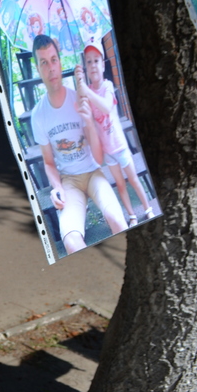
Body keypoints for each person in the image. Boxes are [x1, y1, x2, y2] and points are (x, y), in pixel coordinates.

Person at [29, 35, 127, 254]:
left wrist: (90, 123)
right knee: (71, 241)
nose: (51, 68)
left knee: (117, 219)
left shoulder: (79, 99)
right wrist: (56, 187)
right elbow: (48, 162)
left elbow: (99, 158)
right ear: (38, 68)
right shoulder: (38, 115)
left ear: (60, 62)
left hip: (93, 172)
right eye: (44, 62)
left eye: (54, 60)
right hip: (69, 182)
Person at [74, 40, 154, 226]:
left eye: (96, 61)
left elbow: (107, 106)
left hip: (119, 145)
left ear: (103, 65)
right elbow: (81, 106)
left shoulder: (107, 86)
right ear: (85, 67)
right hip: (107, 151)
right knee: (120, 184)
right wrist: (79, 82)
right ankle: (131, 215)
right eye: (88, 62)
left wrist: (87, 91)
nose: (92, 65)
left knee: (133, 179)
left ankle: (147, 209)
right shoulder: (87, 91)